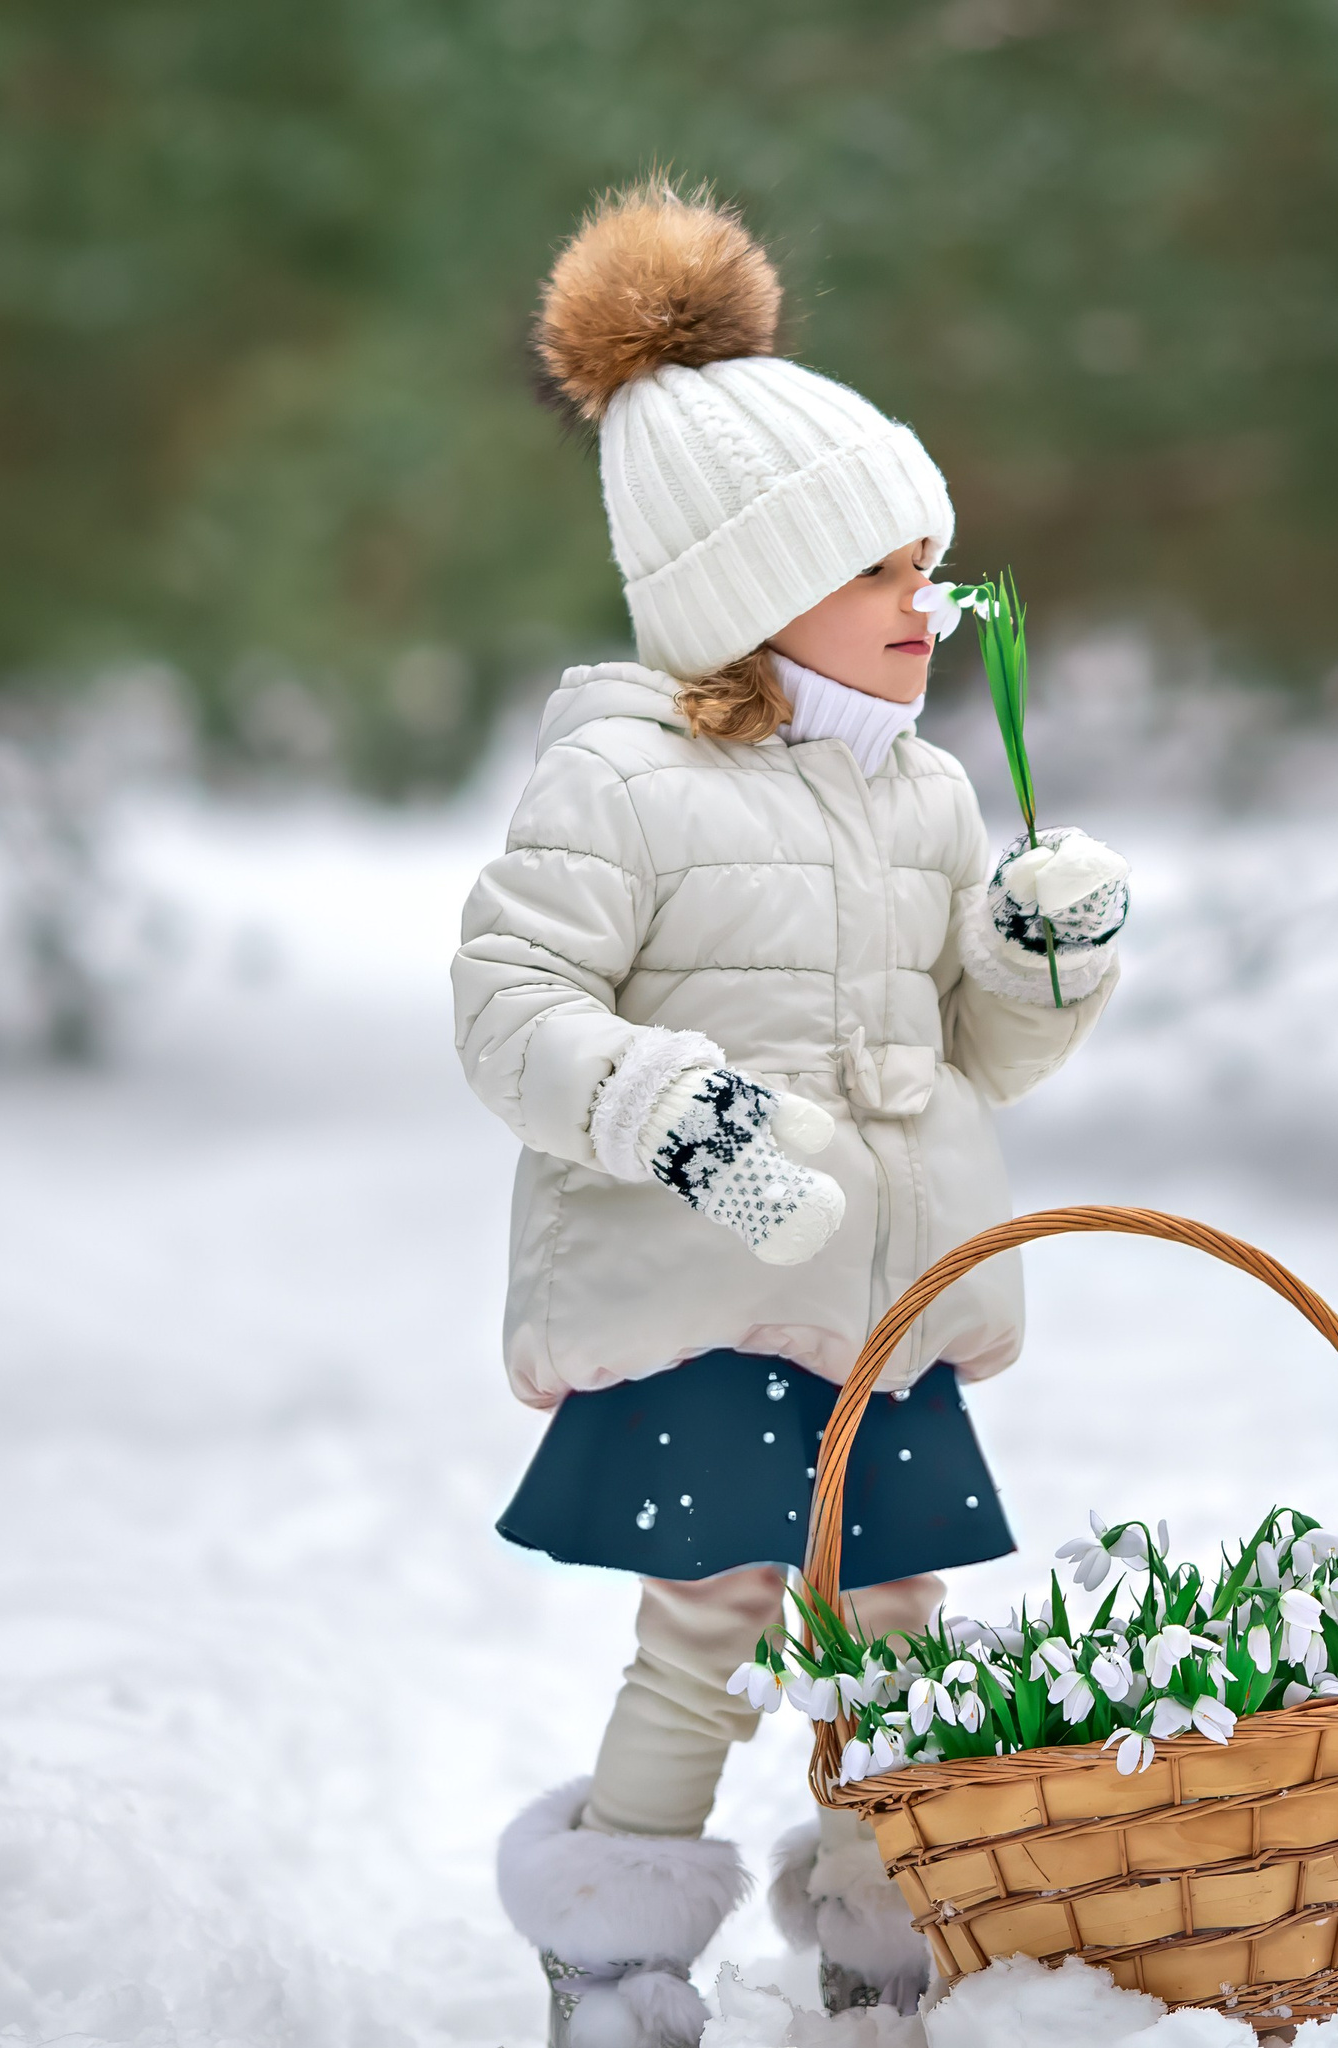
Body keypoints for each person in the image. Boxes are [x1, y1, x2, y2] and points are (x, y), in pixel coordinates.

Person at [454, 178, 1132, 2048]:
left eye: (938, 566)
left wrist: (1041, 964)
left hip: (886, 1308)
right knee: (709, 1621)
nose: (938, 604)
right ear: (757, 595)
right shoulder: (622, 778)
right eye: (890, 573)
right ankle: (617, 1962)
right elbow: (510, 1013)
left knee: (891, 1632)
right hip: (707, 1296)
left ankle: (882, 1952)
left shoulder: (917, 797)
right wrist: (680, 1117)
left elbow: (972, 1055)